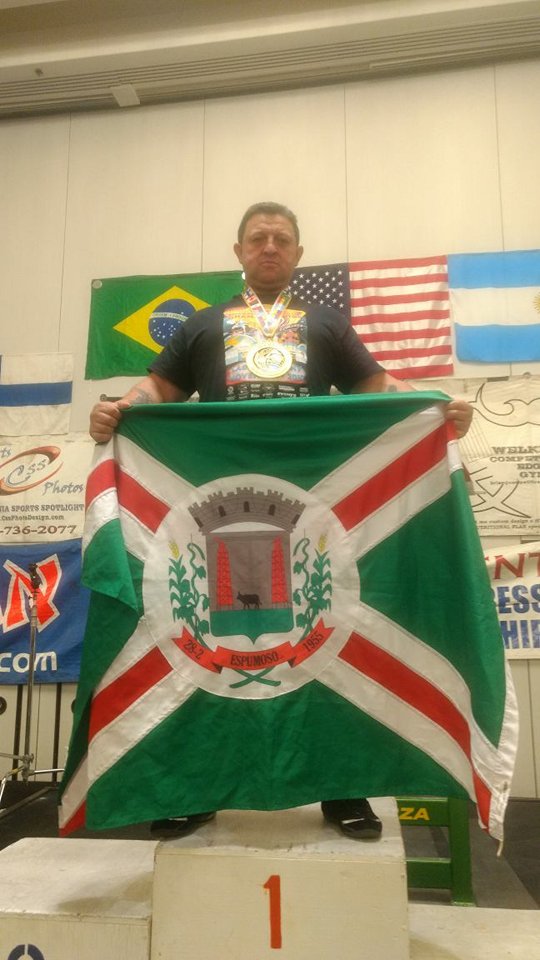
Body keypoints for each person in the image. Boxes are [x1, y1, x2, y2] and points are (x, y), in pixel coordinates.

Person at [90, 201, 473, 840]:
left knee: (330, 641)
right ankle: (197, 787)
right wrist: (116, 408)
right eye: (258, 238)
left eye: (282, 239)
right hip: (217, 515)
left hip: (310, 519)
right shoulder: (202, 324)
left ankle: (343, 789)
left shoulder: (327, 324)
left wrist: (436, 407)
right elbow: (157, 390)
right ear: (238, 251)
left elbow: (379, 391)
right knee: (208, 647)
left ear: (298, 253)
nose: (269, 247)